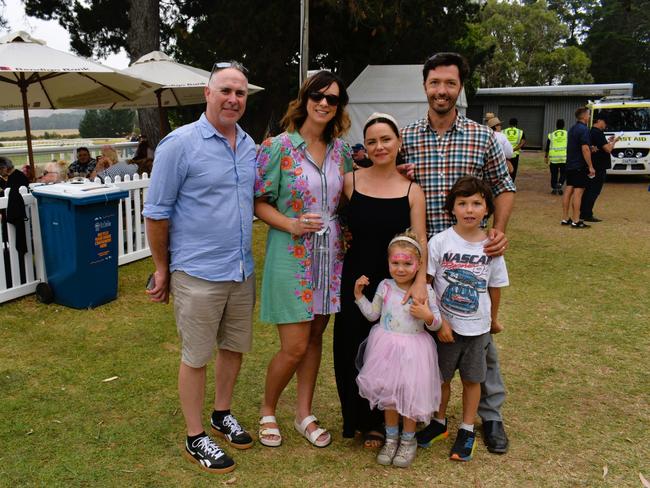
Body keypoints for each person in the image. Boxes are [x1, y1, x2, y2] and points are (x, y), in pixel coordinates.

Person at [143, 60, 256, 474]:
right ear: (207, 94)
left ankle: (221, 413)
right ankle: (195, 437)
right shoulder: (180, 143)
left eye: (240, 92)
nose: (232, 99)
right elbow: (156, 213)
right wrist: (161, 268)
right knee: (196, 356)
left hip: (240, 270)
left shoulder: (248, 145)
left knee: (234, 348)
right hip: (198, 273)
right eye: (225, 90)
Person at [399, 52, 515, 455]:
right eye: (435, 83)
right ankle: (428, 414)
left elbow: (504, 187)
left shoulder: (482, 137)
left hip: (468, 253)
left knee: (478, 338)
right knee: (430, 338)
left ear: (460, 87)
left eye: (450, 83)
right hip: (425, 260)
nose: (442, 91)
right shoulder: (407, 136)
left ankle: (491, 416)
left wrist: (497, 230)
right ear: (425, 86)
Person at [254, 70, 353, 449]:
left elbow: (354, 192)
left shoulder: (342, 151)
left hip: (331, 257)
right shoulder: (277, 147)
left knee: (314, 339)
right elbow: (259, 201)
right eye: (319, 95)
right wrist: (291, 224)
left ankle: (303, 413)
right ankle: (267, 409)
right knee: (293, 345)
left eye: (333, 99)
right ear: (305, 98)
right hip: (291, 254)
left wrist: (397, 176)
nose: (325, 103)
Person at [334, 112, 429, 449]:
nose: (379, 146)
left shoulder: (412, 190)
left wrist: (419, 282)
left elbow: (421, 237)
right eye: (371, 141)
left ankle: (380, 423)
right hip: (356, 277)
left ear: (398, 143)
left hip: (397, 280)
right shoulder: (350, 181)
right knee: (350, 347)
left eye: (386, 139)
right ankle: (355, 419)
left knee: (389, 354)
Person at [428, 176, 509, 462]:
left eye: (477, 203)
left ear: (487, 209)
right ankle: (438, 422)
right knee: (441, 378)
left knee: (473, 380)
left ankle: (466, 428)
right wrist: (439, 321)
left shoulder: (491, 247)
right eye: (462, 203)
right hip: (445, 329)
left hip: (477, 329)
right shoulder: (439, 242)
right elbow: (427, 283)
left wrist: (493, 320)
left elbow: (494, 287)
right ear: (452, 208)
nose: (470, 210)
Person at [354, 229, 442, 468]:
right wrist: (359, 295)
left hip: (414, 352)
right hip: (386, 349)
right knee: (390, 395)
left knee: (409, 396)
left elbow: (437, 324)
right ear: (388, 262)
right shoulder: (385, 286)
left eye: (407, 263)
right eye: (395, 262)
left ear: (418, 264)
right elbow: (373, 314)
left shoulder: (425, 291)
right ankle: (391, 438)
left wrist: (426, 315)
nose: (401, 268)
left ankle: (408, 440)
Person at [580, 114, 619, 222]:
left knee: (588, 190)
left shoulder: (591, 132)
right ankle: (587, 213)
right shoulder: (597, 133)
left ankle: (583, 212)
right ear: (599, 121)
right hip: (599, 167)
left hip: (593, 165)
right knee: (594, 191)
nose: (605, 125)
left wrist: (608, 141)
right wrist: (614, 141)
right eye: (605, 122)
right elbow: (608, 149)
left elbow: (599, 145)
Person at [561, 107, 595, 229]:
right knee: (578, 192)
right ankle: (576, 220)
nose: (590, 117)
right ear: (584, 116)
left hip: (570, 164)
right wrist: (590, 166)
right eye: (589, 114)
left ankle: (565, 218)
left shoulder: (572, 129)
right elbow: (584, 149)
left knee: (568, 191)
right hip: (579, 165)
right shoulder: (584, 129)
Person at [544, 119, 568, 195]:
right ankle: (560, 184)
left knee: (554, 173)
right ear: (563, 125)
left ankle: (554, 187)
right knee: (564, 173)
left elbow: (547, 146)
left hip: (553, 158)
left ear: (556, 125)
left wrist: (546, 156)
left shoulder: (551, 135)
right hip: (564, 158)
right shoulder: (567, 134)